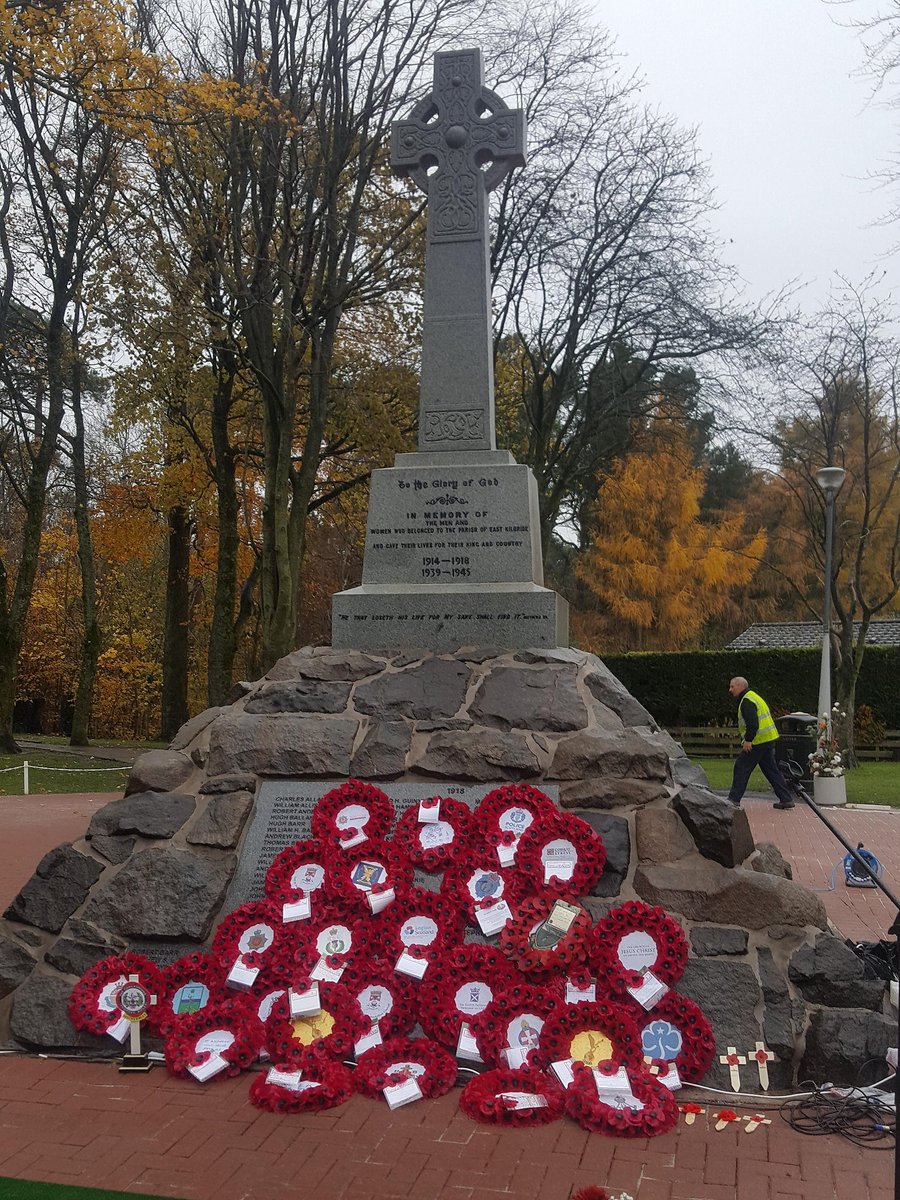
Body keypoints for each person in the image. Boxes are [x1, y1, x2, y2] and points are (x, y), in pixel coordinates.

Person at [727, 677, 795, 810]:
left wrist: (748, 740)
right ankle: (786, 798)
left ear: (740, 686)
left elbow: (753, 723)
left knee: (741, 767)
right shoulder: (754, 697)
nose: (730, 690)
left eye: (732, 686)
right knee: (771, 770)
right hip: (767, 740)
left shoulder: (747, 700)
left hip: (757, 742)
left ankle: (733, 799)